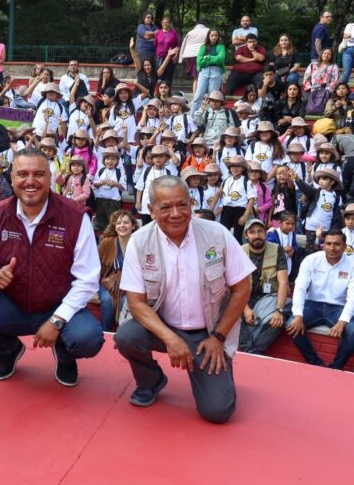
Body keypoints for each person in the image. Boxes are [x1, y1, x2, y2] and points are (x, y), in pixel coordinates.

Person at [0, 148, 105, 387]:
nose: (30, 181)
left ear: (50, 177)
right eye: (22, 174)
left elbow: (87, 280)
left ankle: (66, 356)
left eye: (38, 174)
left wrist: (57, 320)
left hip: (59, 303)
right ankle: (10, 350)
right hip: (13, 304)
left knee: (87, 339)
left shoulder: (76, 217)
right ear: (12, 177)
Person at [115, 175, 254, 423]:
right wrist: (170, 339)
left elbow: (242, 289)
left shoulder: (217, 234)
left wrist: (218, 338)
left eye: (182, 205)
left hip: (208, 334)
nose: (176, 213)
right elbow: (135, 302)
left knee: (218, 412)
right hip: (162, 328)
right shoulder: (139, 241)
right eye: (165, 207)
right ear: (151, 209)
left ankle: (220, 373)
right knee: (126, 336)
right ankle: (151, 381)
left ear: (191, 203)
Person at [287, 229, 354, 370]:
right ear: (323, 244)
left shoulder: (352, 263)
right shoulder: (311, 260)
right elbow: (299, 288)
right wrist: (298, 315)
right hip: (312, 305)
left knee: (353, 331)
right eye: (328, 243)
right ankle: (316, 364)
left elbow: (353, 296)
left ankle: (336, 368)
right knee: (291, 324)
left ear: (344, 245)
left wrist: (343, 321)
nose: (331, 248)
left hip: (338, 307)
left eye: (336, 244)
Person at [239, 218, 291, 355]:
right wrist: (245, 309)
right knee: (240, 323)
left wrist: (279, 310)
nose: (256, 235)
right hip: (246, 298)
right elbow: (234, 285)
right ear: (246, 235)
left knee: (279, 320)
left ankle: (252, 352)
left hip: (271, 297)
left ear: (265, 233)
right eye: (252, 232)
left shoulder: (277, 249)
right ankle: (253, 353)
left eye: (260, 231)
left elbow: (283, 283)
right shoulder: (239, 252)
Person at [98, 209, 135, 331]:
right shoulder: (107, 242)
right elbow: (95, 265)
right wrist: (91, 289)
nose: (122, 226)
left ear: (133, 226)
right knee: (108, 300)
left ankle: (123, 334)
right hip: (108, 283)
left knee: (126, 301)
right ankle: (105, 332)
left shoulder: (139, 243)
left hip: (130, 285)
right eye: (118, 223)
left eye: (126, 222)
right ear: (114, 226)